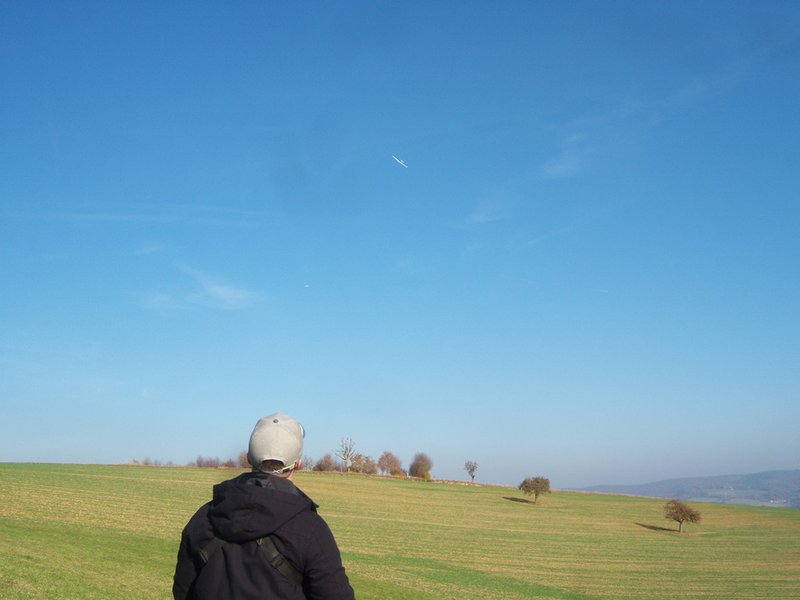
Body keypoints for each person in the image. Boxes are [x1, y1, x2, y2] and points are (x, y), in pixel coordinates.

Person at [173, 412, 355, 600]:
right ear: (298, 464)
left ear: (248, 458)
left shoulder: (204, 518)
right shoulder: (311, 530)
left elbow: (182, 591)